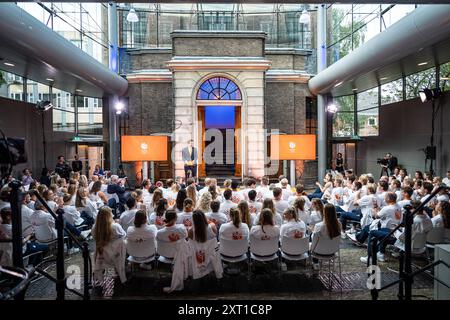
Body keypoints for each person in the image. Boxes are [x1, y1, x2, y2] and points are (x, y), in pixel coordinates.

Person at [92, 206, 126, 285]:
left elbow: (94, 238)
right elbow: (124, 235)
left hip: (101, 253)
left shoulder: (95, 227)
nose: (113, 215)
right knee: (124, 242)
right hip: (115, 253)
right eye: (111, 214)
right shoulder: (115, 226)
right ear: (109, 216)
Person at [310, 204, 341, 270]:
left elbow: (314, 240)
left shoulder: (319, 226)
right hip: (333, 251)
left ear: (324, 212)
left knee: (311, 240)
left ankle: (315, 263)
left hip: (319, 251)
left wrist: (313, 232)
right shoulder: (339, 224)